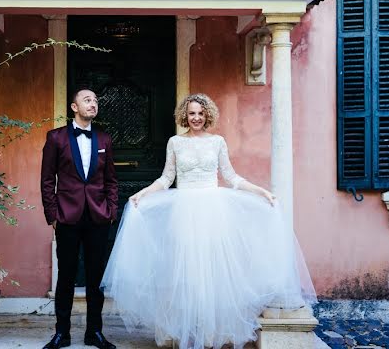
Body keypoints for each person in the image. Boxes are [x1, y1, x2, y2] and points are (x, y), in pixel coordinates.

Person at [101, 93, 315, 349]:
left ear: (207, 115)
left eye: (201, 113)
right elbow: (166, 178)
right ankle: (186, 334)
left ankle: (211, 335)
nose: (196, 118)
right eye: (191, 113)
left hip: (213, 213)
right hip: (184, 213)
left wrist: (261, 192)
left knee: (212, 275)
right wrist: (141, 194)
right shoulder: (175, 143)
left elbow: (231, 177)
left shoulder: (217, 142)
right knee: (187, 275)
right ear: (184, 115)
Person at [40, 88, 119, 349]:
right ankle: (62, 333)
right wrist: (52, 215)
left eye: (96, 100)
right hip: (67, 217)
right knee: (66, 276)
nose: (93, 104)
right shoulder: (56, 138)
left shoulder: (104, 139)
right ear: (74, 107)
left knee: (96, 278)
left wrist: (111, 210)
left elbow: (111, 181)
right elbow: (47, 179)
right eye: (87, 100)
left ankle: (94, 333)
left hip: (98, 217)